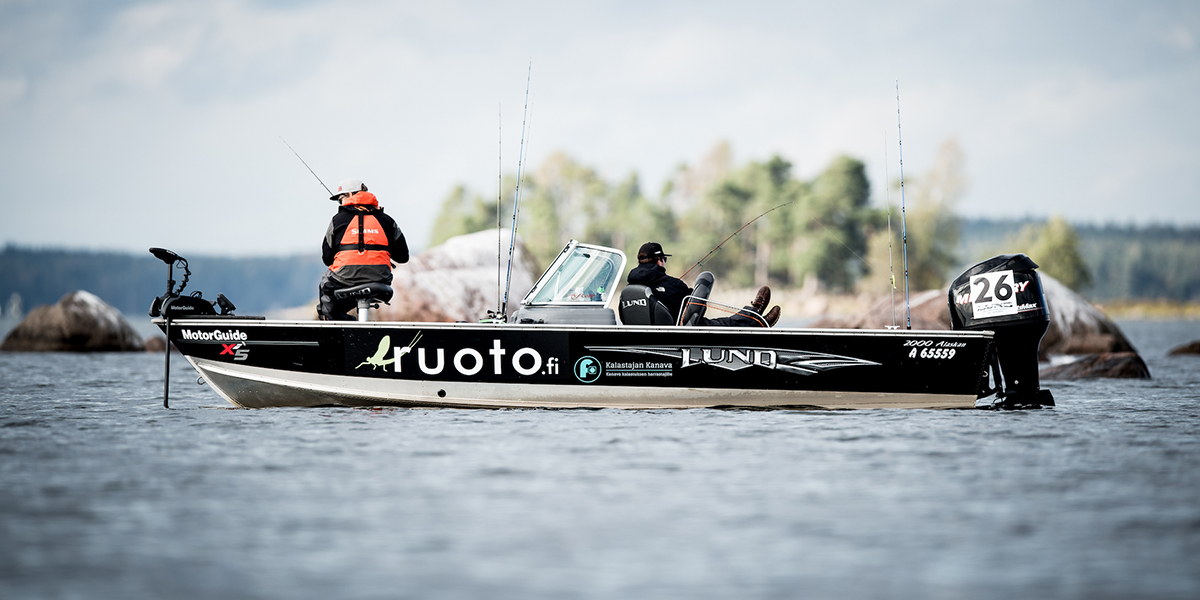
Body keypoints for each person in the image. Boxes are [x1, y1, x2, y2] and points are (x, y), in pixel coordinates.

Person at [627, 242, 781, 327]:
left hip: (644, 337)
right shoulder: (673, 284)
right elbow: (696, 305)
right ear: (659, 261)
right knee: (724, 323)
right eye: (664, 259)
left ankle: (754, 316)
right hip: (680, 333)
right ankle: (757, 318)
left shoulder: (628, 289)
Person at [318, 178, 409, 320]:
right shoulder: (387, 220)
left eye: (340, 199)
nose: (340, 203)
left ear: (350, 194)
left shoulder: (337, 220)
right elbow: (403, 257)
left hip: (344, 279)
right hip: (380, 279)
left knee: (326, 287)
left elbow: (327, 258)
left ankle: (344, 325)